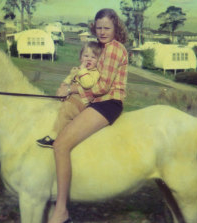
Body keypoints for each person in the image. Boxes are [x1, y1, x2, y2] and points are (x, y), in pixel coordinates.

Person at [48, 8, 128, 223]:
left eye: (107, 28)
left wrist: (71, 90)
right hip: (95, 100)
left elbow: (101, 87)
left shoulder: (114, 50)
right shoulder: (101, 48)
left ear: (115, 28)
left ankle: (61, 209)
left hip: (107, 103)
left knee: (61, 144)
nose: (102, 32)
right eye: (99, 27)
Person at [36, 41, 102, 148]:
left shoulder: (95, 73)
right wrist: (63, 86)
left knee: (67, 109)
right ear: (80, 58)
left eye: (93, 57)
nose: (89, 59)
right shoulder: (76, 70)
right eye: (86, 56)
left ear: (98, 61)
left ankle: (54, 137)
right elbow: (68, 79)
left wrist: (83, 70)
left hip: (83, 100)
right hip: (71, 96)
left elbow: (87, 84)